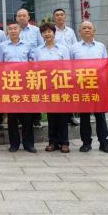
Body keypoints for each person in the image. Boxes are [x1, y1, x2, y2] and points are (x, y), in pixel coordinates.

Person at [71, 21, 108, 154]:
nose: (87, 30)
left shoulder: (101, 46)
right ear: (80, 32)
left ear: (94, 31)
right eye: (84, 28)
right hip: (81, 86)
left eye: (89, 28)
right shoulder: (74, 47)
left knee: (100, 115)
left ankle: (104, 143)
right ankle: (86, 143)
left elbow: (105, 63)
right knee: (84, 116)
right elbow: (69, 66)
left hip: (97, 86)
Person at [31, 23, 72, 153]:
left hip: (60, 85)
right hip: (46, 86)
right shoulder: (38, 50)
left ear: (54, 33)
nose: (47, 34)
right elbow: (35, 68)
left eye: (49, 31)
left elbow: (67, 67)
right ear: (41, 35)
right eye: (44, 32)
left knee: (63, 115)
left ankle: (64, 142)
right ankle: (52, 142)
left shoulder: (63, 49)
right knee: (51, 115)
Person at [0, 22, 36, 153]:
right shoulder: (2, 46)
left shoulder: (27, 45)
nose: (13, 31)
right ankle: (14, 143)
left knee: (27, 116)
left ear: (20, 30)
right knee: (12, 116)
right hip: (9, 84)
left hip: (25, 83)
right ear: (7, 32)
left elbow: (33, 62)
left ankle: (28, 144)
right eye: (10, 29)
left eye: (15, 28)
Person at [16, 8, 44, 128]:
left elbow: (41, 46)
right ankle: (21, 118)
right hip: (18, 68)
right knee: (20, 93)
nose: (22, 17)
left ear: (28, 17)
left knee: (34, 92)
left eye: (24, 15)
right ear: (16, 18)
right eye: (19, 16)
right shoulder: (13, 30)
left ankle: (36, 118)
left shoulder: (36, 30)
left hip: (34, 67)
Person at [53, 8, 80, 127]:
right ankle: (59, 116)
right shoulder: (51, 31)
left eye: (61, 14)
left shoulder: (70, 31)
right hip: (55, 68)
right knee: (57, 92)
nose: (59, 17)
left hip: (69, 66)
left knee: (68, 92)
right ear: (54, 18)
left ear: (65, 17)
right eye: (57, 15)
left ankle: (70, 116)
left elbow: (75, 47)